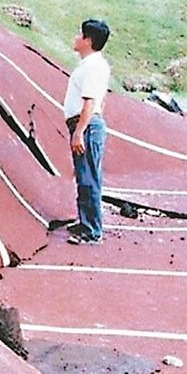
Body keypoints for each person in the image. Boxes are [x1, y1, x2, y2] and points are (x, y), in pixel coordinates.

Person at [63, 19, 111, 245]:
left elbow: (90, 102)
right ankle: (85, 222)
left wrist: (79, 131)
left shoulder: (92, 66)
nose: (75, 37)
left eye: (79, 34)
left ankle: (92, 230)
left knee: (89, 177)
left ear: (88, 40)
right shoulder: (92, 65)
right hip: (88, 124)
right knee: (84, 176)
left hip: (87, 125)